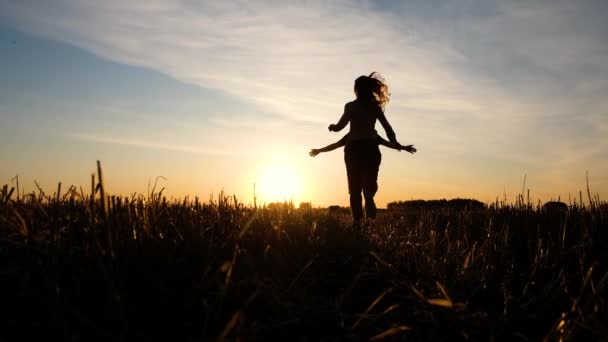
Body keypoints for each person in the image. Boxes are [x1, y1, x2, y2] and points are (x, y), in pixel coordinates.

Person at [327, 72, 407, 226]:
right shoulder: (374, 107)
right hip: (370, 148)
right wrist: (397, 144)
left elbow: (340, 126)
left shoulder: (350, 106)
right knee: (368, 185)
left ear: (356, 89)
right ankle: (368, 202)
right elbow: (387, 128)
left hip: (354, 149)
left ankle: (358, 222)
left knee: (354, 188)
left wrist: (333, 127)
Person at [309, 132, 416, 157]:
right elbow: (335, 145)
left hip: (366, 162)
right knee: (360, 191)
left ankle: (368, 213)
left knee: (363, 190)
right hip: (358, 163)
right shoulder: (351, 136)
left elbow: (335, 145)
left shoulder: (373, 135)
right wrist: (319, 150)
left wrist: (403, 147)